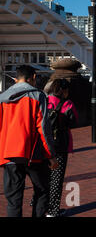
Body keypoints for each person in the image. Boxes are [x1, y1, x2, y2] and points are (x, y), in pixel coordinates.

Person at [0, 65, 58, 217]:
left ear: (15, 79)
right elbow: (44, 129)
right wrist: (51, 155)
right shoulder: (37, 96)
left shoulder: (2, 98)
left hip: (9, 155)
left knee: (13, 198)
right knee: (42, 191)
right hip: (34, 154)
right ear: (33, 77)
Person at [45, 79, 79, 217]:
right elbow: (75, 121)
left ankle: (41, 207)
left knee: (43, 178)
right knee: (56, 179)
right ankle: (53, 211)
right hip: (60, 146)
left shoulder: (43, 101)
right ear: (63, 91)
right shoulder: (67, 104)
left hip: (43, 145)